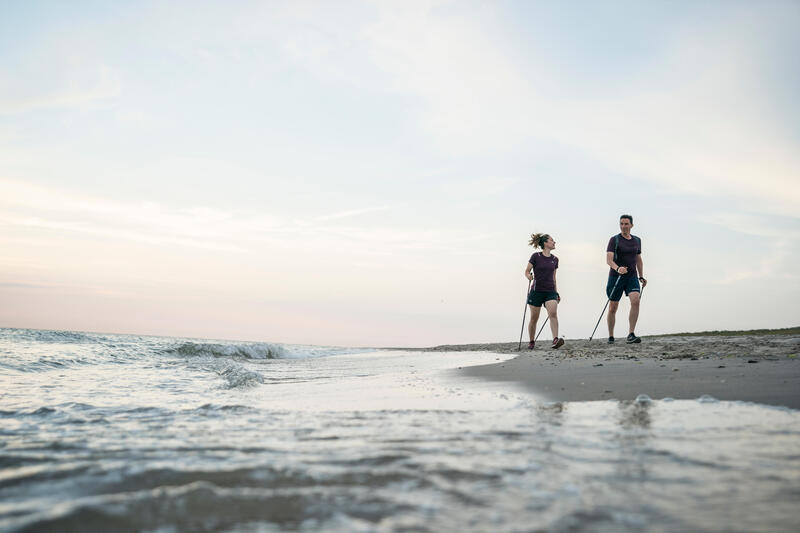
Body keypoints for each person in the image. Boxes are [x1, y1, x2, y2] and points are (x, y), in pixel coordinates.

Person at [605, 214, 647, 344]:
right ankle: (611, 335)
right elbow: (609, 260)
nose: (623, 226)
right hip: (616, 277)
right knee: (613, 307)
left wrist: (641, 276)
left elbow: (638, 259)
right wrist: (618, 269)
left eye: (626, 224)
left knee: (636, 301)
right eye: (621, 224)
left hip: (632, 277)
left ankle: (631, 334)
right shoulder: (614, 240)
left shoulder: (637, 240)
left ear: (631, 225)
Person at [525, 233, 564, 349]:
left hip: (550, 291)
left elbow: (554, 277)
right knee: (534, 318)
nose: (554, 242)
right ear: (545, 243)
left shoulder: (555, 259)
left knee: (553, 314)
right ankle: (531, 341)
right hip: (536, 291)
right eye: (552, 240)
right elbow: (527, 271)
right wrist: (529, 276)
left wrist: (556, 293)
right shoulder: (535, 256)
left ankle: (555, 339)